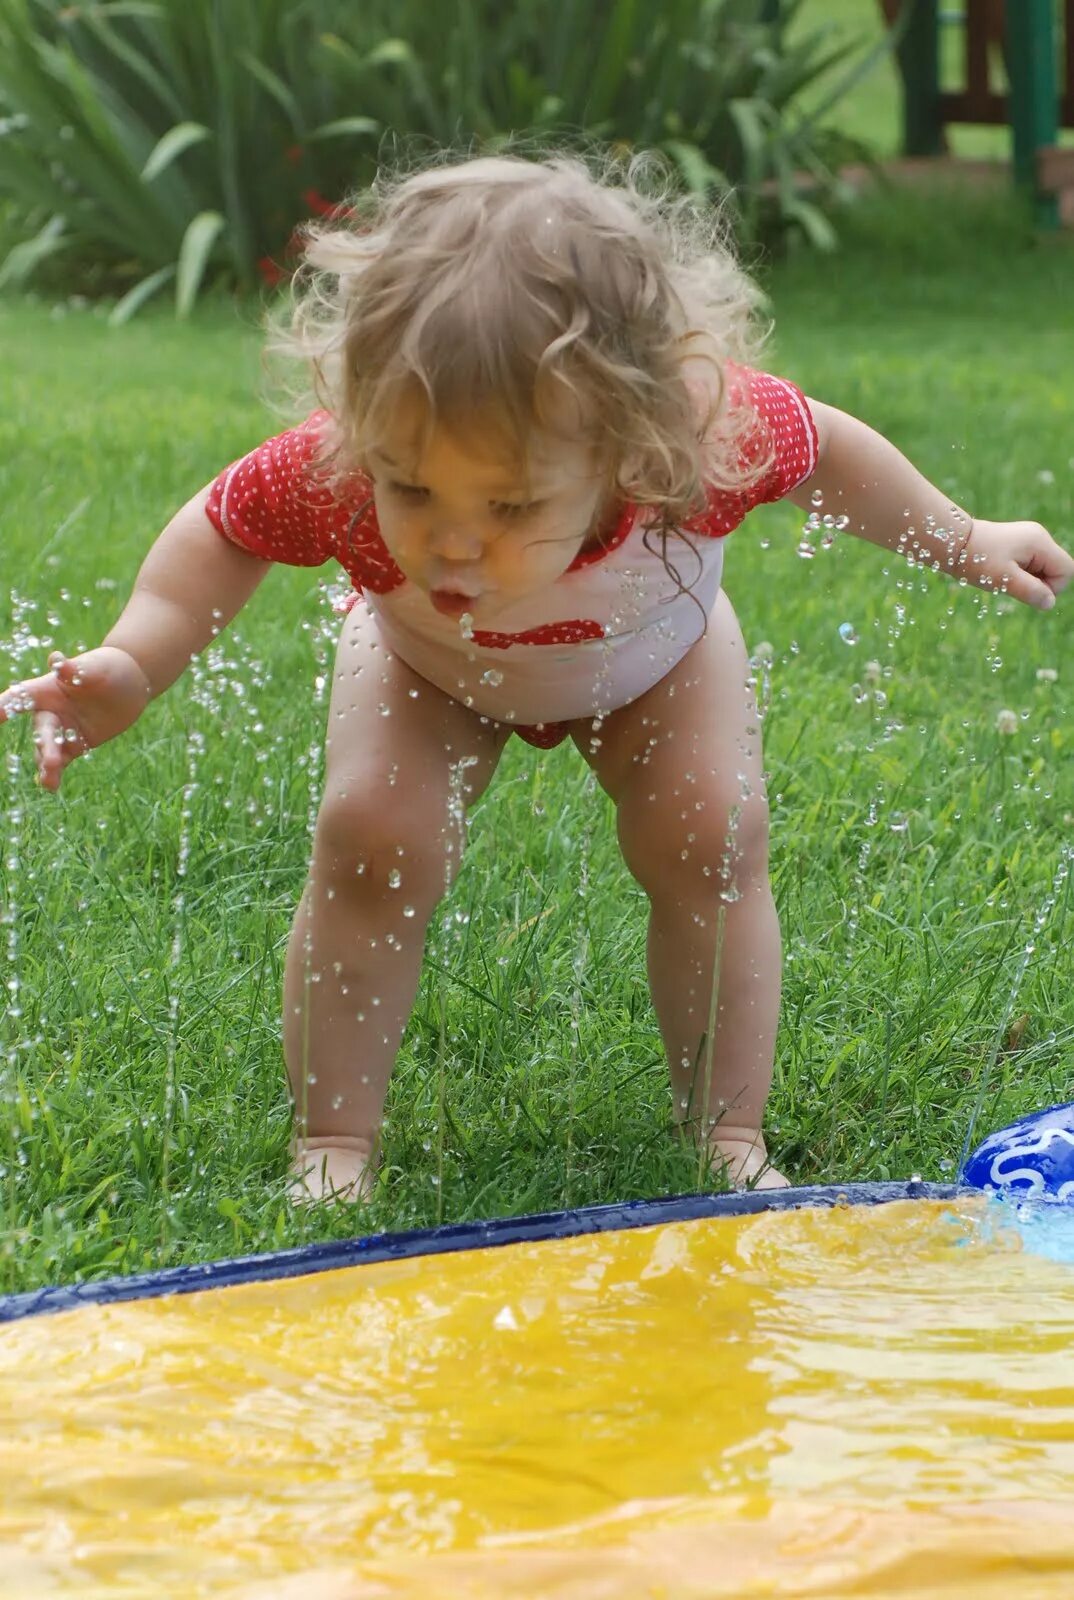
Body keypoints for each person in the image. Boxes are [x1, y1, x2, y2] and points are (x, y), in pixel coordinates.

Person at [2, 154, 1070, 1202]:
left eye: (509, 507)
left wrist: (964, 536)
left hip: (659, 650)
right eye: (412, 490)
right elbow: (220, 529)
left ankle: (726, 1128)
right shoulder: (343, 468)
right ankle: (334, 1137)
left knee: (715, 832)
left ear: (627, 441)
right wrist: (137, 657)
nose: (453, 546)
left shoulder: (699, 438)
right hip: (431, 665)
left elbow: (830, 451)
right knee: (372, 836)